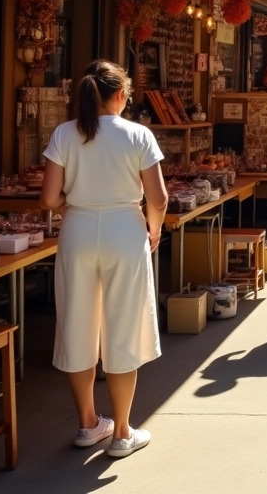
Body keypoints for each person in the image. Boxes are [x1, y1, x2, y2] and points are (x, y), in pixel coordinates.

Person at [41, 59, 167, 458]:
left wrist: (71, 210)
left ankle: (88, 423)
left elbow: (48, 198)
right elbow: (159, 198)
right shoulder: (138, 135)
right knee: (123, 328)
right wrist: (155, 228)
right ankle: (123, 432)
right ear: (120, 95)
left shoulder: (65, 133)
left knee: (78, 324)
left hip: (78, 230)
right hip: (125, 230)